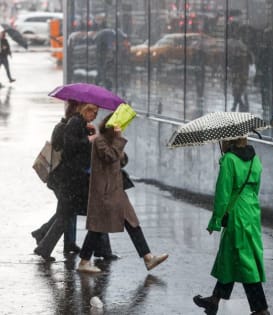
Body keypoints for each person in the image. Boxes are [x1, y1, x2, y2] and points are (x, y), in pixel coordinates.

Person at [77, 114, 169, 273]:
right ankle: (84, 261)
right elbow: (109, 156)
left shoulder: (112, 142)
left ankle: (148, 258)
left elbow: (122, 162)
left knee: (132, 222)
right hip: (105, 192)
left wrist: (118, 144)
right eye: (118, 126)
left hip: (116, 191)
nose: (121, 129)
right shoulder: (99, 141)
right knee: (98, 227)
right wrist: (118, 141)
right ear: (111, 126)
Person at [193, 138, 270, 315]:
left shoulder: (229, 160)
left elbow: (223, 192)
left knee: (244, 261)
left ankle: (261, 309)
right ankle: (214, 300)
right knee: (229, 257)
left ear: (230, 141)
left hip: (236, 214)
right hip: (251, 209)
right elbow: (256, 186)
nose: (221, 142)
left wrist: (216, 220)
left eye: (223, 140)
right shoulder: (254, 158)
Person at [34, 103, 114, 261]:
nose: (95, 116)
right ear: (86, 110)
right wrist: (89, 138)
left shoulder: (79, 123)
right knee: (90, 212)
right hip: (72, 179)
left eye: (97, 113)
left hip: (74, 179)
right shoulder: (74, 123)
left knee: (67, 215)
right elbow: (71, 148)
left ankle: (44, 246)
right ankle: (101, 250)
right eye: (93, 112)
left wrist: (88, 133)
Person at [31, 100, 81, 254]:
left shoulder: (65, 126)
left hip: (60, 177)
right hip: (59, 177)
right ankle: (43, 233)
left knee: (68, 210)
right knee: (66, 210)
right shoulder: (64, 128)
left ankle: (69, 243)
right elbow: (67, 151)